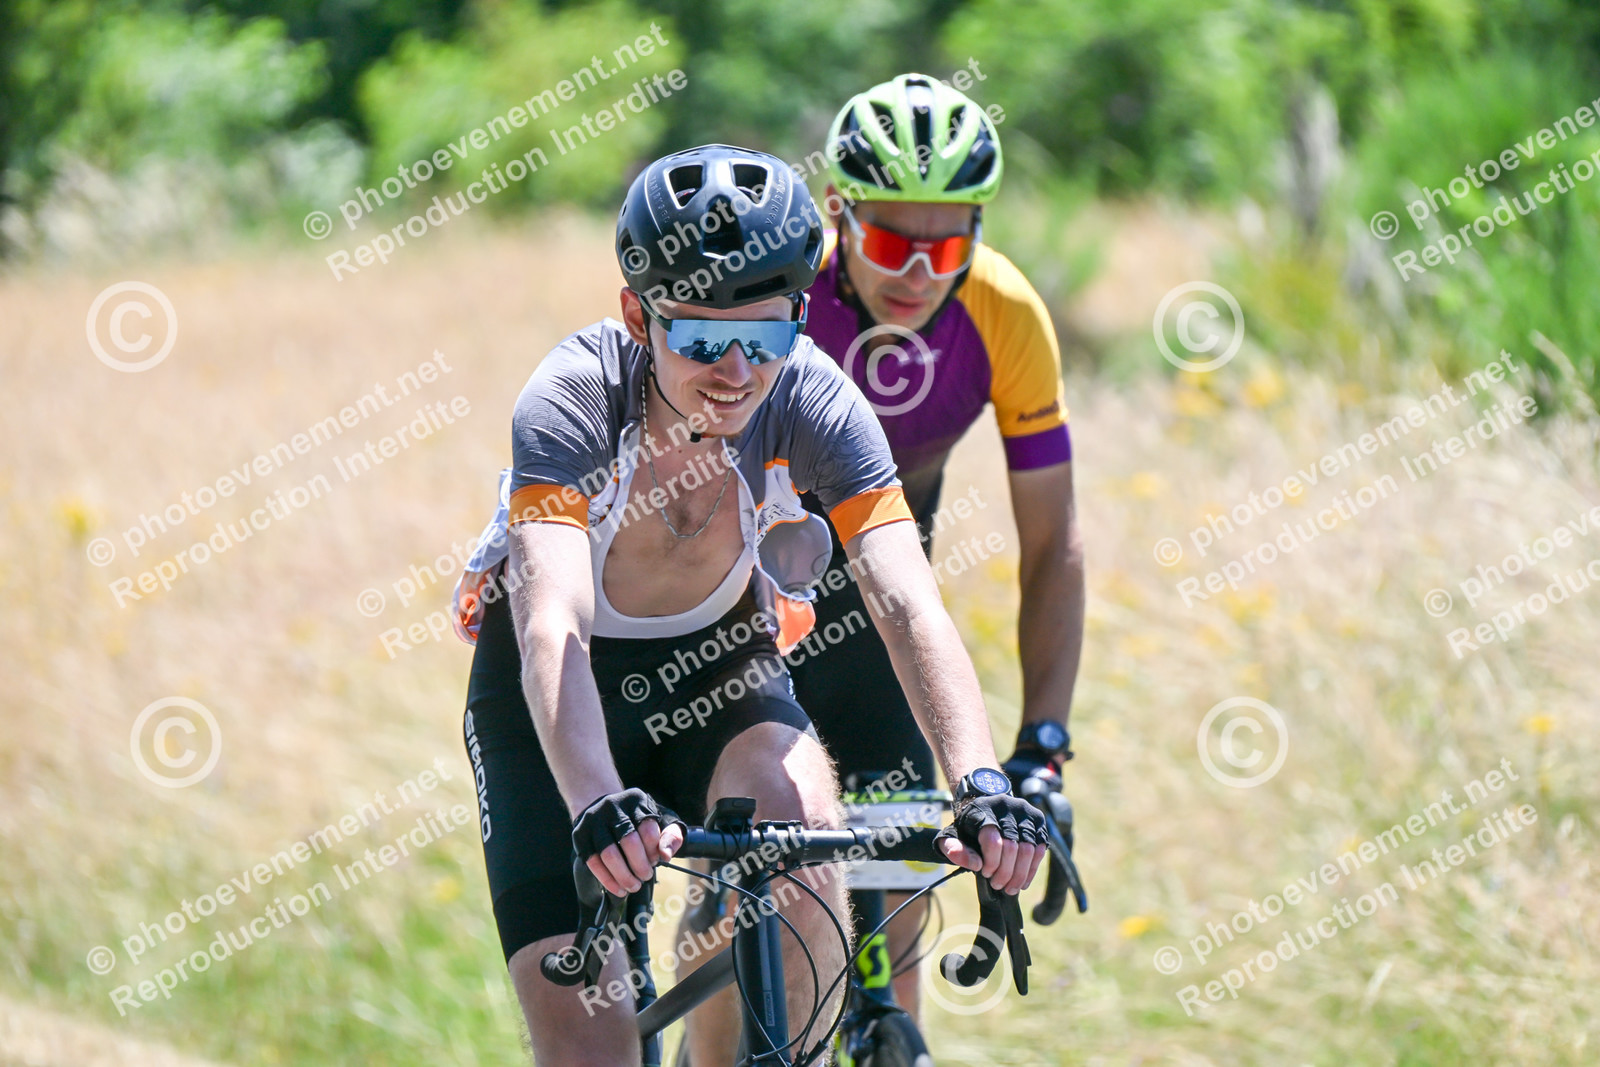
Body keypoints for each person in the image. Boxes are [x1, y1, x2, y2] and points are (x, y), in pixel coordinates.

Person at [451, 144, 1047, 1067]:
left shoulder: (814, 397)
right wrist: (597, 801)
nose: (734, 372)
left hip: (720, 672)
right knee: (589, 1042)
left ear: (798, 321)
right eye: (699, 340)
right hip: (558, 698)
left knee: (803, 842)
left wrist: (982, 783)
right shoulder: (573, 398)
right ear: (637, 316)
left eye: (763, 339)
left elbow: (905, 601)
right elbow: (551, 622)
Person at [787, 73, 1087, 1020]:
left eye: (947, 245)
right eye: (890, 243)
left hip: (883, 621)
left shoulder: (1003, 311)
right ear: (838, 211)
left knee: (894, 917)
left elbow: (1053, 544)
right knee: (755, 895)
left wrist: (1041, 747)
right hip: (743, 615)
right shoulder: (783, 295)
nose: (918, 273)